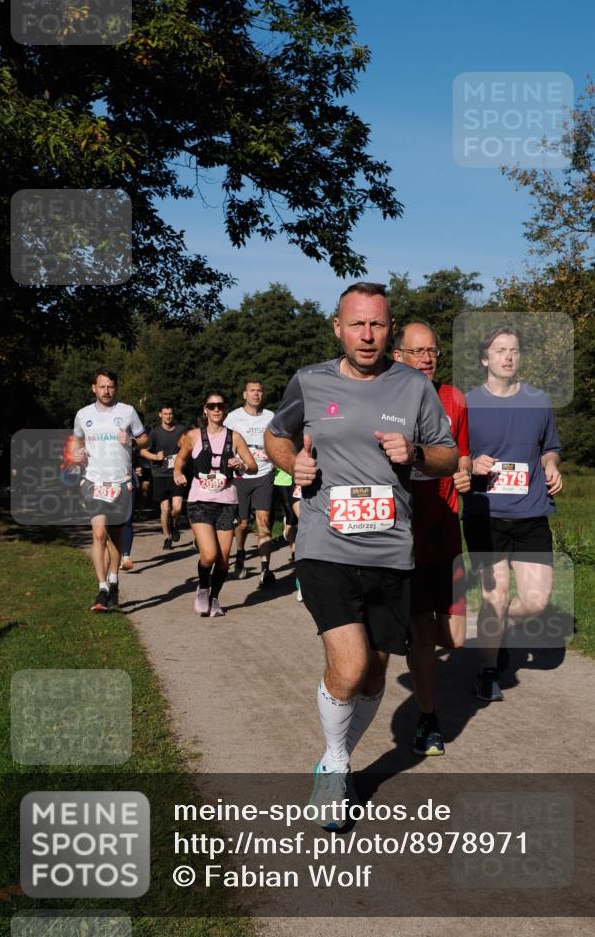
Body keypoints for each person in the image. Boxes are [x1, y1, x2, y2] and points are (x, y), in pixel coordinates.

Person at [265, 282, 458, 829]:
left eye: (376, 324)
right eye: (356, 324)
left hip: (391, 551)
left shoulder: (414, 387)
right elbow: (277, 436)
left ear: (389, 330)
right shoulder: (310, 381)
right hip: (325, 545)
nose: (367, 335)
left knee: (373, 677)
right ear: (338, 328)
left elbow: (447, 457)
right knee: (349, 668)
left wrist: (415, 452)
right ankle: (335, 765)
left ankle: (336, 760)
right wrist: (294, 465)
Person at [463, 324, 563, 701]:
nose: (508, 356)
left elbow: (550, 447)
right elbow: (451, 455)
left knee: (536, 602)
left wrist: (551, 465)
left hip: (531, 512)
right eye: (500, 350)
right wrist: (471, 463)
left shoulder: (538, 401)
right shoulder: (467, 404)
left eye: (515, 350)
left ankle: (496, 630)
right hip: (484, 514)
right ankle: (488, 672)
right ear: (484, 359)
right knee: (496, 596)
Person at [392, 322, 472, 756]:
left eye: (433, 352)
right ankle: (428, 718)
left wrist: (464, 472)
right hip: (408, 531)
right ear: (399, 356)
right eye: (417, 351)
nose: (426, 359)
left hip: (446, 528)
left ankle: (408, 633)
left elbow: (463, 453)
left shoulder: (454, 398)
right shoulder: (386, 399)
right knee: (423, 636)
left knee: (455, 638)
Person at [174, 390, 257, 617]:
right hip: (200, 500)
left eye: (220, 405)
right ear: (205, 410)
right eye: (212, 406)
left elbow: (253, 467)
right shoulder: (193, 436)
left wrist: (241, 464)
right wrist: (177, 473)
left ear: (225, 409)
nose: (216, 409)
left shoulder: (235, 437)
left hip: (226, 502)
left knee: (223, 560)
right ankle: (203, 588)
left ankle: (214, 597)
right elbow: (180, 458)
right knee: (209, 555)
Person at [72, 369, 148, 612]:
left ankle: (114, 579)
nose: (106, 391)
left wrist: (132, 441)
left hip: (120, 482)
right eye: (102, 386)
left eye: (110, 387)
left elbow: (145, 440)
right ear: (94, 388)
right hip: (94, 481)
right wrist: (76, 454)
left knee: (115, 536)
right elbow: (77, 442)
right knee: (98, 534)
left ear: (116, 388)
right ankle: (102, 588)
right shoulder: (83, 414)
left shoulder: (127, 411)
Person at [224, 381, 277, 587]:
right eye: (252, 391)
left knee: (263, 521)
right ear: (244, 395)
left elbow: (279, 442)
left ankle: (265, 569)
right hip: (241, 477)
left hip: (264, 475)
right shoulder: (233, 417)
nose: (256, 394)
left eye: (259, 390)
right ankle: (240, 554)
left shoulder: (271, 417)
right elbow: (224, 442)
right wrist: (231, 462)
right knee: (243, 524)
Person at [141, 404, 186, 550]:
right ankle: (167, 538)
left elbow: (188, 447)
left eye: (170, 413)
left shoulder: (181, 430)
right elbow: (143, 451)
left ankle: (174, 524)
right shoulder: (155, 433)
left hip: (176, 473)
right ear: (160, 415)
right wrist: (155, 456)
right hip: (160, 474)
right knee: (165, 509)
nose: (168, 416)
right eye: (165, 414)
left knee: (177, 508)